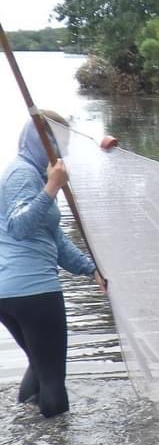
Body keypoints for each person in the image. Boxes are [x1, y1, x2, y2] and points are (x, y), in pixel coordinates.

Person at [0, 114, 104, 418]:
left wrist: (90, 269)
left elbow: (56, 242)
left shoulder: (34, 173)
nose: (63, 152)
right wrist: (52, 188)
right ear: (40, 140)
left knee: (40, 364)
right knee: (53, 378)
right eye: (59, 142)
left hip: (11, 294)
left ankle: (31, 437)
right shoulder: (22, 174)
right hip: (34, 291)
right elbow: (19, 226)